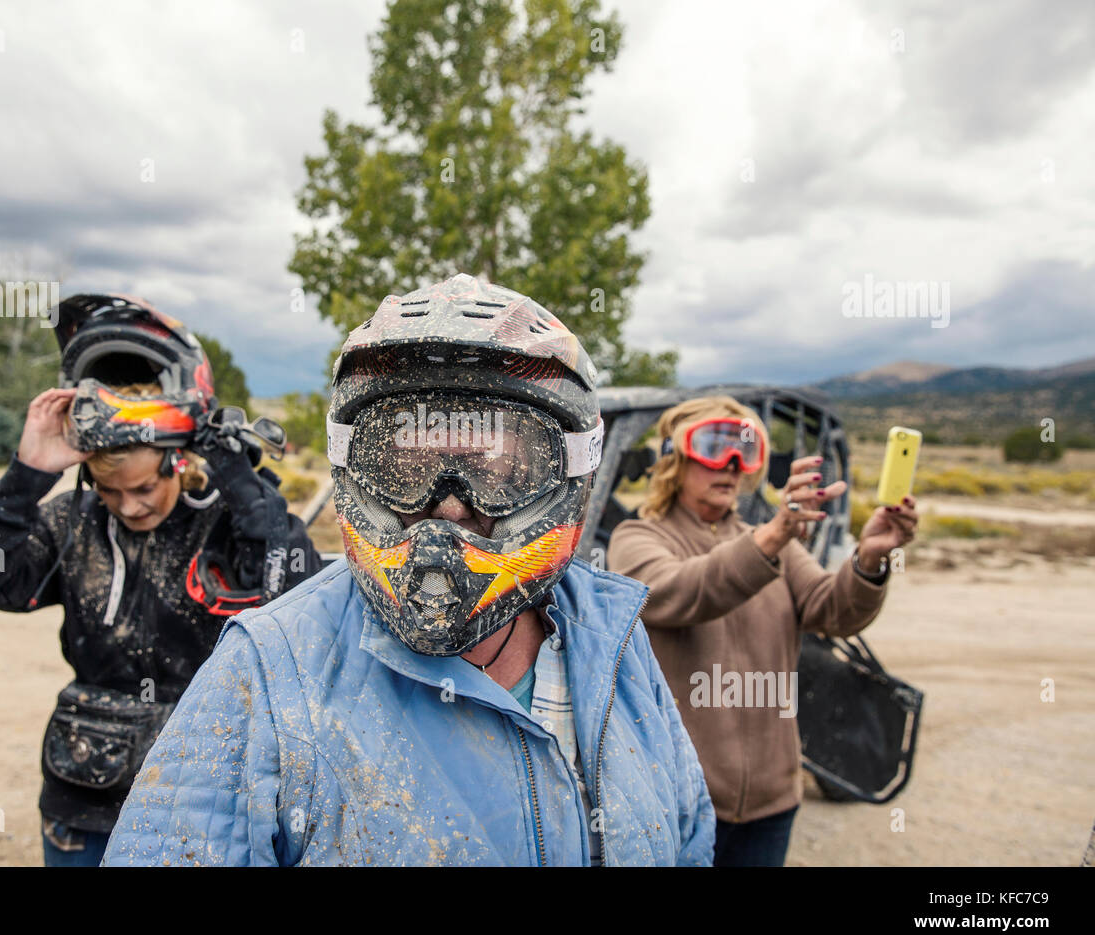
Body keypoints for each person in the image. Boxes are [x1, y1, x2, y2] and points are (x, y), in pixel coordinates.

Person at [103, 274, 714, 867]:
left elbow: (687, 837)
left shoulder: (612, 636)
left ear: (566, 469)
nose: (448, 506)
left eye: (493, 467)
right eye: (409, 465)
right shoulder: (271, 667)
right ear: (356, 462)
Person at [0, 295, 320, 866]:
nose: (130, 507)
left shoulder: (225, 524)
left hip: (205, 803)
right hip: (86, 799)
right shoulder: (74, 523)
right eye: (110, 491)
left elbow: (296, 597)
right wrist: (27, 475)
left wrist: (245, 488)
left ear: (178, 459)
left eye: (144, 489)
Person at [607, 395, 918, 867]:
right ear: (674, 456)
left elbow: (832, 611)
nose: (732, 465)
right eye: (716, 446)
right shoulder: (639, 538)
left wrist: (870, 557)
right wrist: (775, 533)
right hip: (681, 799)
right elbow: (681, 591)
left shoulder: (775, 542)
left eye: (746, 450)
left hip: (773, 801)